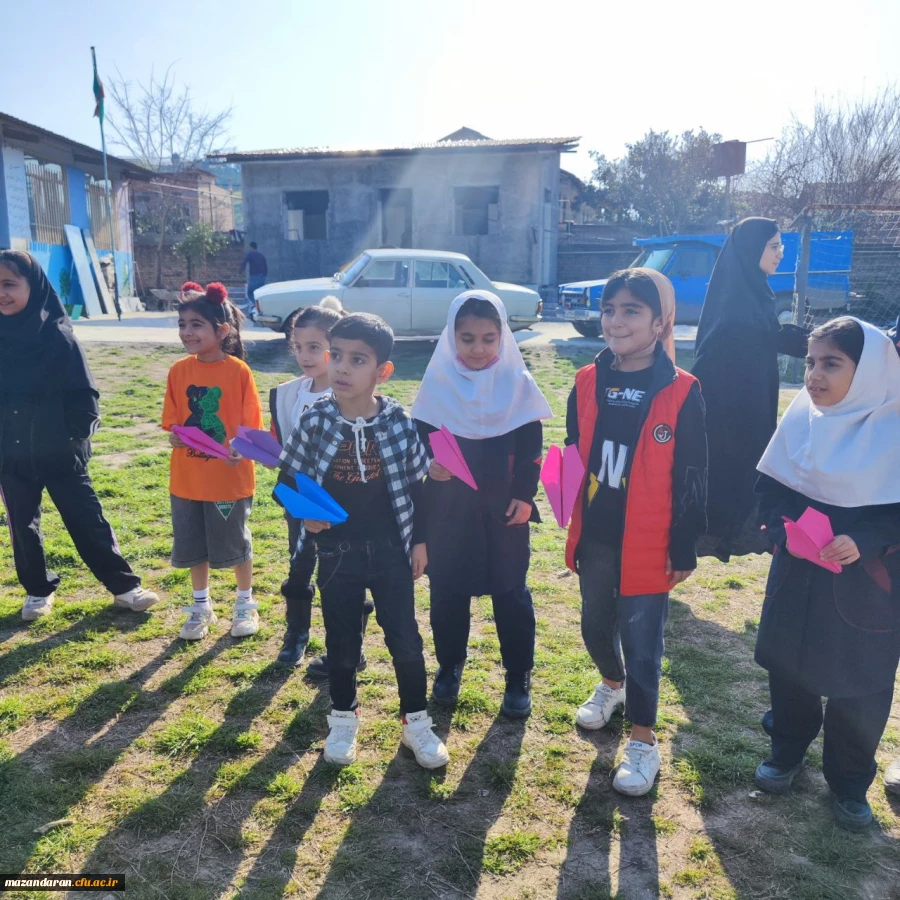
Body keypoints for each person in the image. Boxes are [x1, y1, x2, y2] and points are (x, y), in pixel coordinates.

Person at [279, 312, 448, 770]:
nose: (342, 369)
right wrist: (305, 514)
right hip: (336, 553)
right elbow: (286, 480)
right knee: (341, 640)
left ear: (383, 371)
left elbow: (419, 487)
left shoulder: (398, 422)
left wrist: (421, 542)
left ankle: (416, 722)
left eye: (358, 360)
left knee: (405, 639)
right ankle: (342, 719)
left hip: (393, 549)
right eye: (336, 356)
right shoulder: (314, 421)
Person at [753, 317, 900, 831]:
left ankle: (850, 780)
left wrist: (863, 541)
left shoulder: (894, 430)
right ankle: (787, 751)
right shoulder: (802, 418)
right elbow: (771, 487)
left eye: (831, 363)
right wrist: (776, 524)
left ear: (869, 373)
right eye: (811, 362)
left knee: (859, 687)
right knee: (790, 672)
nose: (814, 374)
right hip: (798, 577)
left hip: (866, 592)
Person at [565, 268, 707, 797]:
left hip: (648, 542)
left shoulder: (682, 389)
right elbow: (574, 448)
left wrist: (683, 543)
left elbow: (694, 473)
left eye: (631, 311)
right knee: (593, 626)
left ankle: (643, 741)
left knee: (643, 642)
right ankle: (611, 684)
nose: (616, 320)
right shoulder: (586, 379)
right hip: (597, 535)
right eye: (609, 309)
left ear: (660, 321)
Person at [410, 291, 553, 718]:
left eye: (489, 338)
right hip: (448, 511)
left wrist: (525, 496)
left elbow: (532, 449)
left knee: (511, 594)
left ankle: (517, 676)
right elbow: (417, 445)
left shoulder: (517, 383)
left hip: (504, 510)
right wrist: (429, 467)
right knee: (448, 594)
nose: (478, 349)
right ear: (451, 336)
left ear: (503, 337)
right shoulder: (436, 385)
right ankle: (450, 666)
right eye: (467, 338)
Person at [0, 250, 159, 619]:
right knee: (22, 527)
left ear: (33, 286)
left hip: (60, 452)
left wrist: (75, 439)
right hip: (11, 453)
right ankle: (37, 591)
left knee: (88, 521)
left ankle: (124, 588)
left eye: (9, 284)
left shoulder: (59, 339)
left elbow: (84, 395)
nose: (2, 293)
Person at [691, 218, 808, 561]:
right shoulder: (735, 301)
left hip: (753, 402)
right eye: (774, 247)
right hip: (729, 413)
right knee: (730, 476)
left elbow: (761, 336)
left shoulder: (755, 290)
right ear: (751, 250)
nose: (780, 254)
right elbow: (728, 343)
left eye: (781, 247)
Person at [269, 297, 374, 672]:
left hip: (344, 504)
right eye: (298, 346)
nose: (305, 355)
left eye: (315, 347)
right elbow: (282, 446)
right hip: (300, 499)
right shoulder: (286, 394)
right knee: (299, 565)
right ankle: (296, 634)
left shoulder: (352, 394)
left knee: (347, 573)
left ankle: (351, 646)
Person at [163, 282, 263, 641]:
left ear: (222, 331)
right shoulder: (178, 371)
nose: (187, 332)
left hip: (228, 480)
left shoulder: (238, 372)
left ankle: (244, 603)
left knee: (234, 542)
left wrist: (241, 449)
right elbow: (173, 420)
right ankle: (200, 605)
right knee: (193, 545)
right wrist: (174, 435)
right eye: (182, 324)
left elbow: (251, 426)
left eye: (196, 324)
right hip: (187, 480)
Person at [240, 242, 268, 314]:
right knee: (260, 294)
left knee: (250, 293)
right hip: (262, 277)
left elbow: (244, 262)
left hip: (254, 277)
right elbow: (266, 267)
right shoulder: (261, 255)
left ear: (251, 247)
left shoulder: (250, 254)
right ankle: (260, 307)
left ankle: (257, 306)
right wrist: (264, 276)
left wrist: (240, 271)